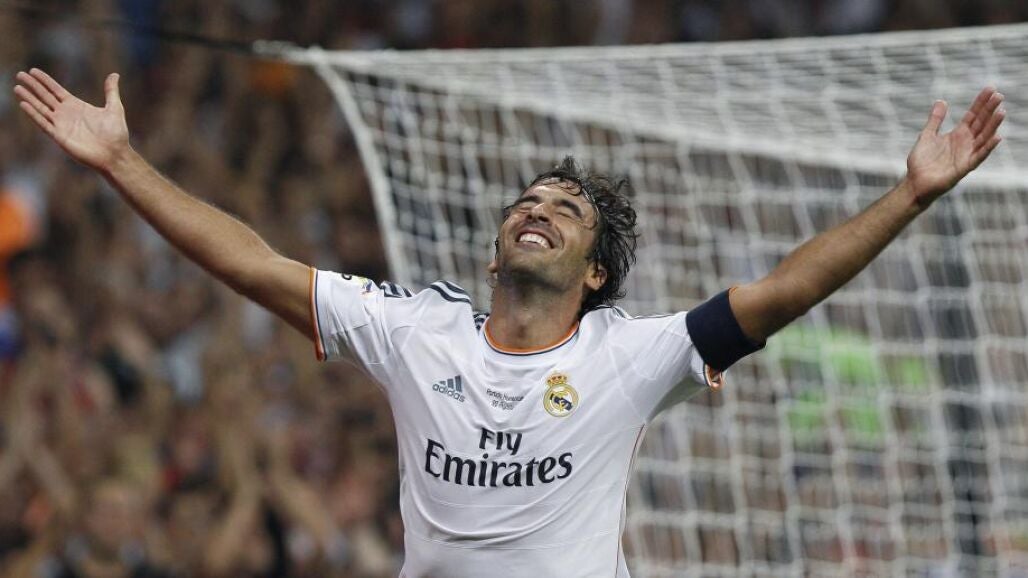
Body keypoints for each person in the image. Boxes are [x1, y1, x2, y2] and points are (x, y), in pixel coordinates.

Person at [13, 68, 1005, 577]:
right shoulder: (415, 330)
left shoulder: (630, 355)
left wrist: (909, 195)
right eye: (527, 202)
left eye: (565, 210)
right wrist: (122, 164)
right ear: (496, 252)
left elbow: (781, 292)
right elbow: (252, 262)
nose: (537, 209)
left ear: (595, 271)